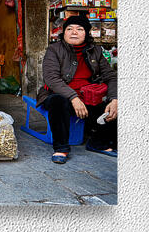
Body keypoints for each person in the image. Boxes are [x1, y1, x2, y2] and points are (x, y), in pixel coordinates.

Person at [36, 15, 118, 164]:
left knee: (111, 109)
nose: (74, 32)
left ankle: (97, 143)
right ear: (64, 33)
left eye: (79, 29)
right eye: (69, 29)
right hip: (58, 94)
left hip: (87, 95)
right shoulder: (54, 50)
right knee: (58, 102)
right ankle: (61, 148)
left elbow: (111, 76)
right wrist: (74, 98)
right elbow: (52, 79)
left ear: (86, 33)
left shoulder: (96, 51)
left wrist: (114, 99)